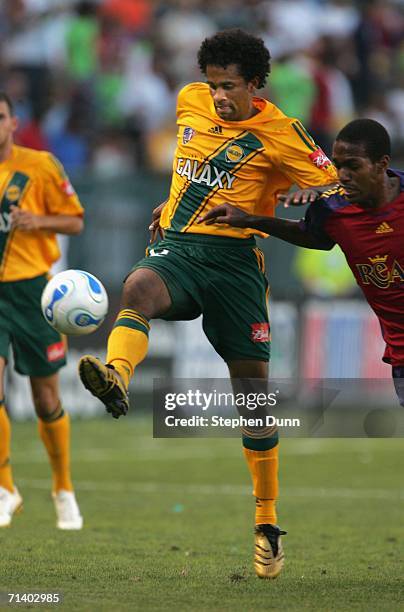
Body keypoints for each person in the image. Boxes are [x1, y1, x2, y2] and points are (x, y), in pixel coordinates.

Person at [78, 29, 337, 578]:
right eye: (213, 84)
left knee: (253, 398)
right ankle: (118, 374)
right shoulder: (188, 101)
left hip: (238, 264)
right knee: (137, 289)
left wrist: (305, 192)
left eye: (230, 86)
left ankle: (266, 523)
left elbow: (334, 184)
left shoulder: (282, 132)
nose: (218, 95)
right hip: (180, 247)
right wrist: (168, 202)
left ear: (255, 84)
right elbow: (190, 167)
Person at [200, 118, 404, 406]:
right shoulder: (333, 211)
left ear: (381, 165)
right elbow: (311, 235)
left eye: (353, 166)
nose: (343, 175)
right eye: (338, 165)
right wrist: (248, 219)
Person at [0, 92, 85, 529]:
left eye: (0, 118)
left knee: (45, 398)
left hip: (35, 291)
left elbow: (75, 220)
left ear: (14, 123)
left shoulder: (40, 167)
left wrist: (38, 221)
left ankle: (63, 487)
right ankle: (5, 488)